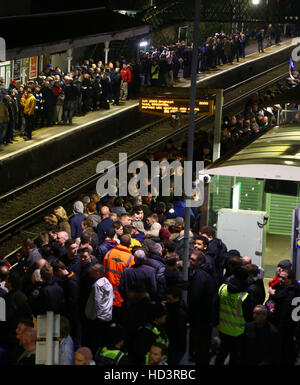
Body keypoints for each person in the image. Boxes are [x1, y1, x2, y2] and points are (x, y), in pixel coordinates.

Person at [215, 266, 254, 365]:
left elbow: (215, 307)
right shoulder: (244, 297)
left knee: (221, 354)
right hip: (238, 332)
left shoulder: (222, 288)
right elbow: (248, 317)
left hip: (222, 328)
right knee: (234, 357)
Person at [188, 250, 217, 365]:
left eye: (193, 260)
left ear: (200, 261)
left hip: (201, 315)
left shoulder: (199, 275)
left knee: (201, 341)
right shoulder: (206, 272)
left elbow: (195, 296)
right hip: (206, 313)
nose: (190, 261)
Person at [103, 234, 135, 320]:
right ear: (129, 244)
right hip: (121, 297)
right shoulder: (130, 258)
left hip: (107, 294)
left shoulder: (109, 253)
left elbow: (104, 271)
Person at [85, 264, 114, 354]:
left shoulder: (97, 285)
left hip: (98, 318)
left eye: (92, 270)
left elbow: (97, 302)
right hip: (107, 316)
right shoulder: (107, 282)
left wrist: (94, 316)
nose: (90, 272)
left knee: (95, 341)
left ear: (97, 273)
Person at [165, 286, 187, 365]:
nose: (167, 301)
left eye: (169, 299)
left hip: (175, 346)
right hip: (174, 345)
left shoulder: (179, 313)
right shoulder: (173, 307)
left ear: (176, 298)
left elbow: (179, 332)